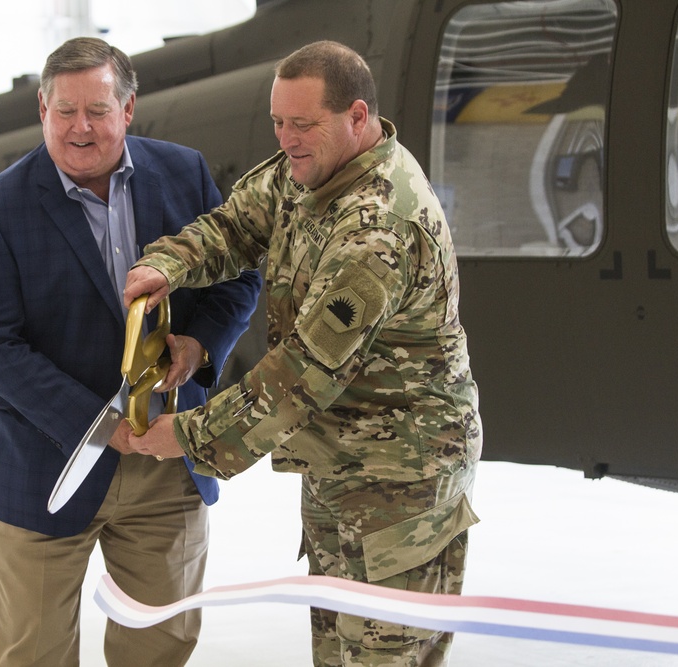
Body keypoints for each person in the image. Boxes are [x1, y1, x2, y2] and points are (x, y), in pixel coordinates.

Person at [123, 40, 482, 667]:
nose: (287, 140)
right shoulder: (312, 165)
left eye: (303, 124)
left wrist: (189, 435)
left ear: (358, 117)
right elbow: (236, 225)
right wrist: (167, 264)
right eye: (279, 123)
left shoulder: (378, 230)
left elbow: (300, 376)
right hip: (336, 468)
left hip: (400, 489)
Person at [0, 37, 261, 667]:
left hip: (165, 464)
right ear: (42, 109)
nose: (80, 128)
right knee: (30, 656)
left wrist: (200, 344)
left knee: (160, 649)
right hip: (46, 468)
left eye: (97, 110)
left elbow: (239, 276)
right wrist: (103, 427)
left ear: (129, 109)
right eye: (64, 111)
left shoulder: (184, 172)